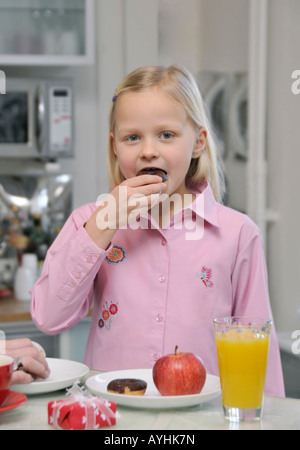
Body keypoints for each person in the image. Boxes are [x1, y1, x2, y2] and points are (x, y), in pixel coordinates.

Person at [31, 65, 285, 397]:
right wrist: (104, 224)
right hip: (115, 417)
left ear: (197, 142)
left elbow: (257, 354)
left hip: (201, 421)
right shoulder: (90, 222)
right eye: (132, 137)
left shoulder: (238, 235)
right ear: (115, 147)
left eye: (166, 135)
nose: (148, 150)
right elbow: (49, 318)